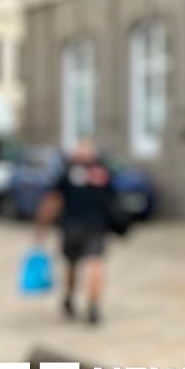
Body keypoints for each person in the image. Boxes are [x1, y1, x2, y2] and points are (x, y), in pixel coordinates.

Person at [34, 138, 117, 325]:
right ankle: (92, 306)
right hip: (95, 226)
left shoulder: (67, 173)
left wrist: (41, 226)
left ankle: (71, 299)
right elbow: (114, 200)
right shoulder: (103, 174)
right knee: (94, 263)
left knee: (74, 265)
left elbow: (52, 201)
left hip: (73, 226)